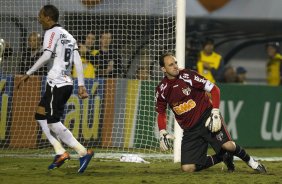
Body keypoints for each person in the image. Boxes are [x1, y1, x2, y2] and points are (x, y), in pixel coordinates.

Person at [155, 52, 266, 173]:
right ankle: (222, 156)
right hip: (190, 130)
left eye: (175, 63)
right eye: (171, 64)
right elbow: (161, 112)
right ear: (163, 69)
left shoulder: (188, 75)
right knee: (187, 168)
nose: (175, 66)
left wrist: (215, 111)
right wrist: (162, 131)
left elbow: (214, 89)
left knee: (228, 145)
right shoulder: (162, 89)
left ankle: (252, 163)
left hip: (207, 118)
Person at [16, 4, 94, 173]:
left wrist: (28, 73)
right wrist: (81, 85)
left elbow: (46, 55)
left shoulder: (51, 33)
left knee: (52, 122)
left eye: (41, 15)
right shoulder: (69, 36)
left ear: (48, 17)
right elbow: (78, 61)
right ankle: (60, 152)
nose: (39, 18)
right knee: (40, 114)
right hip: (66, 83)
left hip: (57, 83)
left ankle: (82, 151)